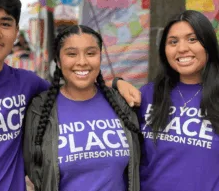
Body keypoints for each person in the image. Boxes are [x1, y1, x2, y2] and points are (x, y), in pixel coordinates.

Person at [0, 0, 141, 190]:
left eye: (5, 23)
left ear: (15, 32)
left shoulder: (26, 83)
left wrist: (114, 82)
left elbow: (74, 84)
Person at [23, 25, 142, 191]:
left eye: (91, 53)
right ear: (58, 61)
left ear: (100, 57)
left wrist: (117, 82)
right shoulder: (39, 109)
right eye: (71, 54)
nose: (82, 62)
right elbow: (34, 171)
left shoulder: (122, 103)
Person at [138, 10, 219, 191]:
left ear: (208, 44)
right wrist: (119, 84)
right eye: (173, 42)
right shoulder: (148, 94)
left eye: (192, 39)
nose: (182, 48)